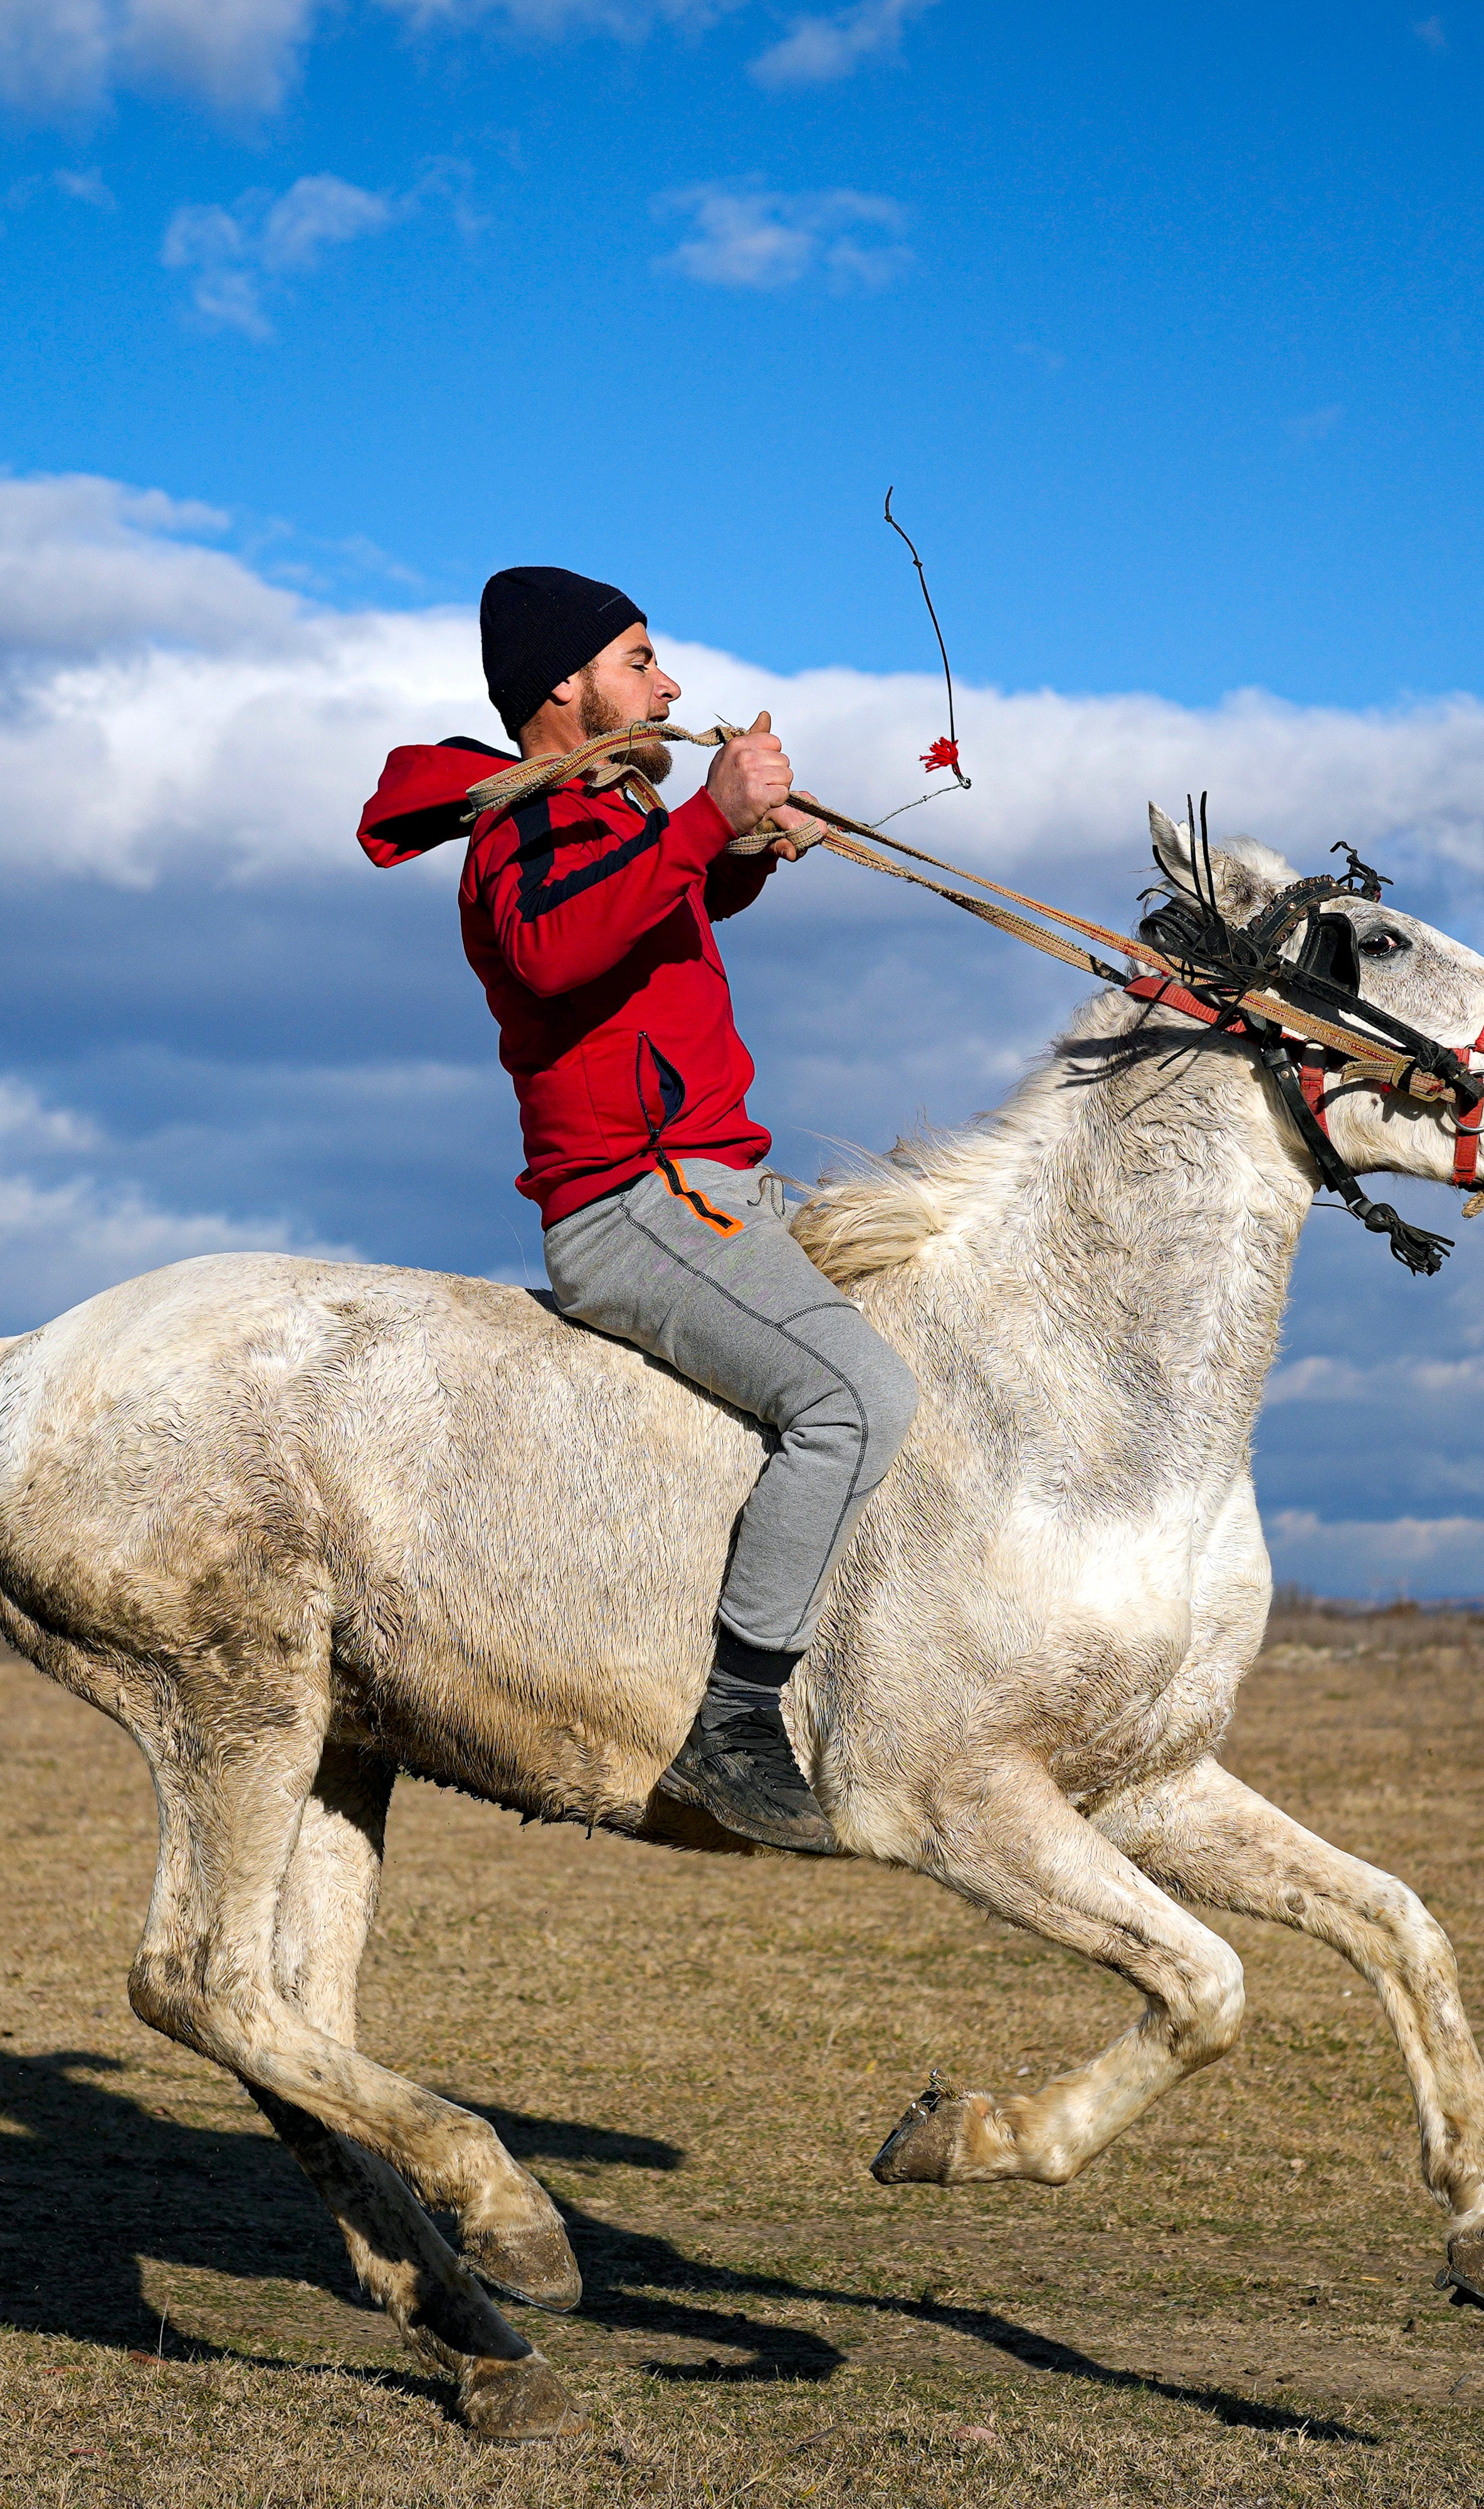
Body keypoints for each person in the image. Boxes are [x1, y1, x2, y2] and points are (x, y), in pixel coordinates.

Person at [353, 567, 916, 1853]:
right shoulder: (521, 829)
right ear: (565, 684)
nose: (671, 687)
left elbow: (665, 905)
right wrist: (709, 817)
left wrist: (751, 847)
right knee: (855, 1400)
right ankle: (732, 1722)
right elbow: (557, 946)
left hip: (704, 1185)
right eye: (641, 658)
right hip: (634, 1202)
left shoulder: (611, 815)